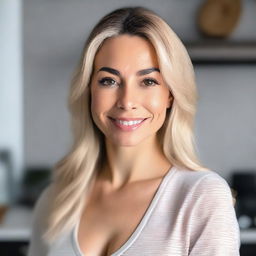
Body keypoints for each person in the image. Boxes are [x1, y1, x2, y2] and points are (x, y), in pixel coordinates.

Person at [28, 6, 240, 256]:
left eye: (148, 81)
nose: (127, 101)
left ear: (170, 94)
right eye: (109, 81)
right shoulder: (55, 201)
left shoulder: (201, 196)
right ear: (89, 91)